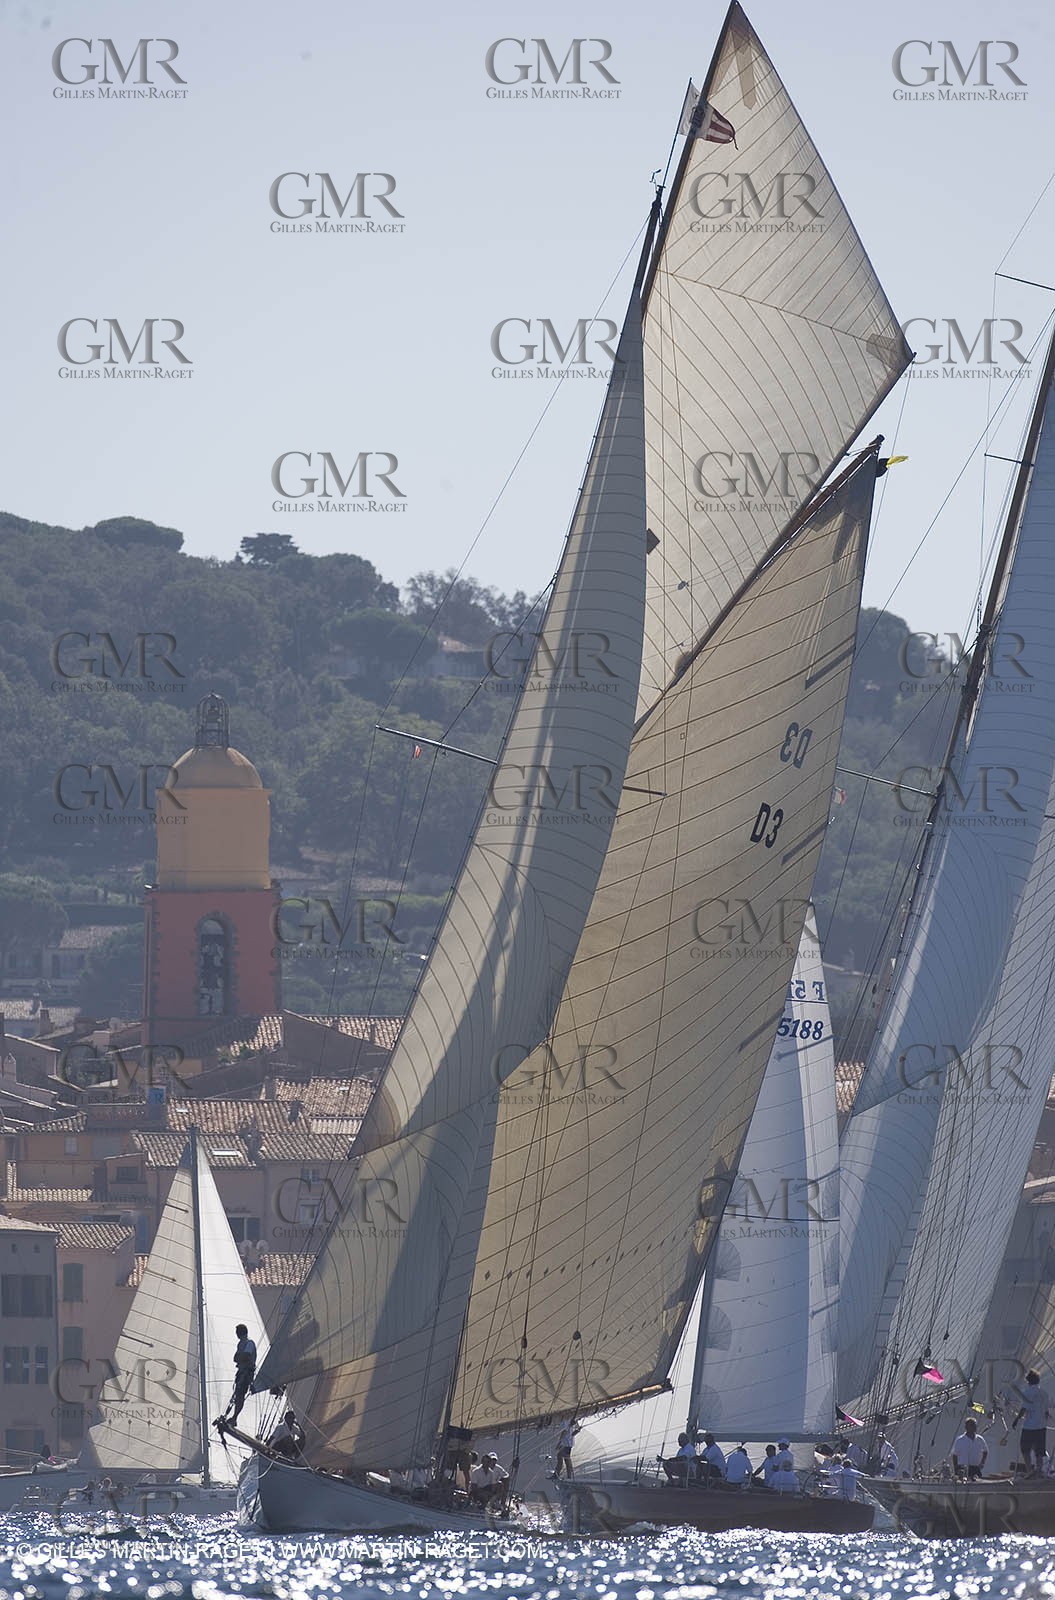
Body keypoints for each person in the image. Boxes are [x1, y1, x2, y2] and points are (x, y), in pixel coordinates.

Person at [1011, 1370, 1051, 1475]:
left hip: (1029, 1426)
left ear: (1028, 1380)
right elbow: (1046, 1412)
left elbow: (1024, 1409)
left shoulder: (1027, 1393)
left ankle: (1029, 1470)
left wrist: (1016, 1420)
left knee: (1025, 1449)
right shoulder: (1044, 1393)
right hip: (1041, 1427)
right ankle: (1039, 1471)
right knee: (1039, 1451)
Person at [229, 1322, 257, 1423]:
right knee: (237, 1395)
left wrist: (241, 1358)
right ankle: (234, 1417)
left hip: (246, 1373)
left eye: (237, 1332)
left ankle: (235, 1417)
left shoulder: (249, 1343)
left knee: (240, 1395)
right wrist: (241, 1358)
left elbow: (246, 1356)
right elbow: (235, 1358)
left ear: (241, 1332)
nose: (236, 1334)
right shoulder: (241, 1344)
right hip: (241, 1372)